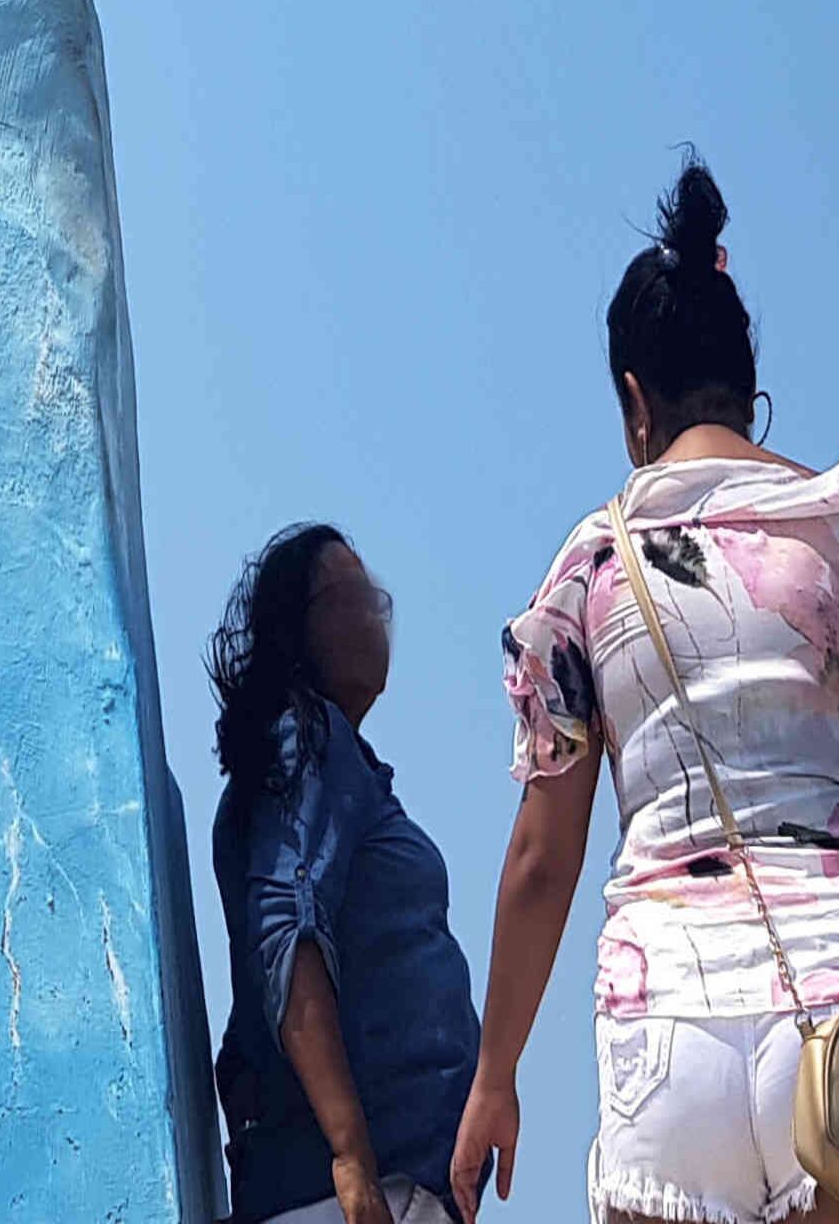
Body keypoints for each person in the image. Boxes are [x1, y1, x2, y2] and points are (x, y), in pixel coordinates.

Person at [452, 159, 839, 1224]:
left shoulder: (591, 569)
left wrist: (495, 1077)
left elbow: (540, 859)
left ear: (632, 401)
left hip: (667, 1023)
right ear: (749, 380)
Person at [209, 524, 484, 1224]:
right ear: (302, 626)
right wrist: (350, 1155)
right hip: (347, 1196)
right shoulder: (308, 738)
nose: (378, 610)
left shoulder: (337, 762)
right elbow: (288, 932)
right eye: (355, 592)